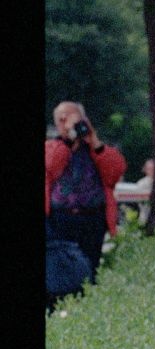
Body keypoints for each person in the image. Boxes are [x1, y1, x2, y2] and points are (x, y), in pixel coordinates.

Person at [45, 100, 127, 280]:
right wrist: (68, 142)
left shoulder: (95, 149)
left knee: (90, 270)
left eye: (72, 118)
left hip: (92, 219)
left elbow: (115, 172)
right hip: (60, 219)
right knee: (60, 270)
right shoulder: (51, 147)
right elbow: (52, 166)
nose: (66, 124)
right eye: (61, 120)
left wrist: (94, 140)